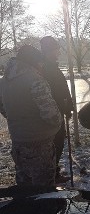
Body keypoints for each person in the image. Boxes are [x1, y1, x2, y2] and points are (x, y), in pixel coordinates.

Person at [0, 45, 62, 186]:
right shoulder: (35, 81)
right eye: (40, 63)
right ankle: (45, 208)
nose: (41, 67)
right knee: (44, 189)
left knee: (24, 187)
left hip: (18, 142)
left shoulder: (4, 81)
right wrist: (58, 124)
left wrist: (18, 120)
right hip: (39, 144)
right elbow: (51, 116)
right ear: (34, 62)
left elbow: (4, 108)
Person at [40, 36, 74, 183]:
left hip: (58, 110)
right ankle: (52, 174)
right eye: (56, 49)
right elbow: (56, 91)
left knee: (57, 143)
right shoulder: (46, 68)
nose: (58, 52)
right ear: (49, 50)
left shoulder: (50, 65)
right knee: (56, 143)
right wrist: (65, 107)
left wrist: (69, 106)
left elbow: (62, 88)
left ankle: (53, 172)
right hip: (54, 113)